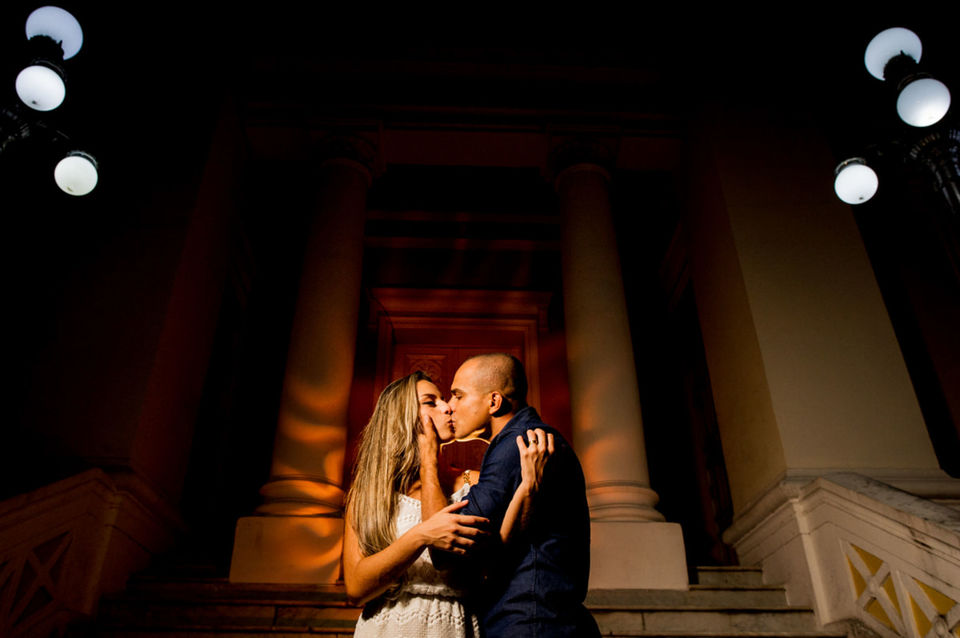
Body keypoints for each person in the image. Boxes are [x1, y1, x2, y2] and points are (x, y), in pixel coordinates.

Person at [343, 370, 553, 638]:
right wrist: (420, 535)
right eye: (431, 402)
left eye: (445, 399)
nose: (447, 407)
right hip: (385, 628)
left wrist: (527, 490)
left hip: (458, 625)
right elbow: (356, 589)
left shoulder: (473, 483)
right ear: (402, 415)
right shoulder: (369, 493)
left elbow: (495, 565)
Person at [420, 353, 600, 638]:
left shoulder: (519, 443)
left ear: (494, 401)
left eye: (458, 395)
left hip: (531, 622)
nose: (450, 406)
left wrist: (428, 459)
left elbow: (445, 549)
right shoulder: (526, 438)